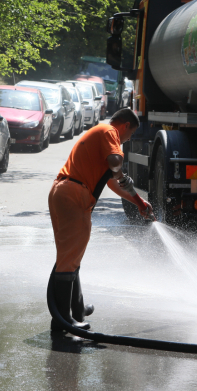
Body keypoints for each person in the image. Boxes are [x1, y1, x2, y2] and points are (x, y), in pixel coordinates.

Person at [47, 108, 154, 331]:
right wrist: (120, 170)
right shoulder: (109, 131)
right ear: (125, 126)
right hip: (75, 194)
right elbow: (115, 162)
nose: (128, 139)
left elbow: (113, 182)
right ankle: (63, 321)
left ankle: (77, 310)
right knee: (68, 259)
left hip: (62, 191)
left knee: (70, 256)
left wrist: (139, 202)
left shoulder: (99, 135)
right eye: (131, 134)